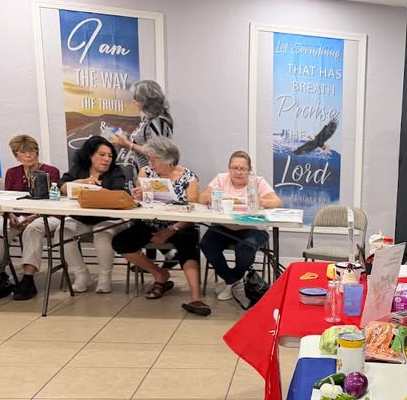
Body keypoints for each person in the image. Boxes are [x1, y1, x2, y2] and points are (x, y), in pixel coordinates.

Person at [111, 136, 210, 316]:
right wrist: (137, 196)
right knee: (120, 242)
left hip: (180, 225)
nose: (150, 163)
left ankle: (196, 298)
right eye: (149, 158)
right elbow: (138, 202)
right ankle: (159, 274)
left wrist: (169, 231)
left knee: (187, 244)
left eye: (153, 159)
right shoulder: (145, 172)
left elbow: (193, 212)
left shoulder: (189, 178)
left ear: (168, 160)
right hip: (150, 223)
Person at [0, 136, 61, 301]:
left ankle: (28, 280)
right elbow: (7, 200)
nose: (28, 155)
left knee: (32, 229)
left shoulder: (50, 171)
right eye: (23, 152)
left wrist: (29, 218)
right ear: (16, 156)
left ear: (37, 152)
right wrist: (12, 216)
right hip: (15, 214)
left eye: (31, 151)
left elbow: (53, 201)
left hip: (44, 214)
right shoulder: (12, 173)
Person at [199, 151, 280, 308]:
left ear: (249, 170)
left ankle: (232, 282)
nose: (238, 172)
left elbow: (276, 202)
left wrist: (258, 200)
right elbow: (202, 198)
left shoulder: (257, 181)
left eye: (243, 168)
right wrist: (212, 198)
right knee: (206, 244)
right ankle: (234, 281)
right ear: (229, 168)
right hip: (224, 226)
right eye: (234, 167)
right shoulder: (221, 179)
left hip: (253, 227)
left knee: (245, 247)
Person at [57, 135, 129, 295]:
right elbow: (61, 186)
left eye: (110, 156)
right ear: (90, 155)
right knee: (63, 232)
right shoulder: (78, 169)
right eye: (102, 155)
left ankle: (105, 277)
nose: (107, 159)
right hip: (81, 219)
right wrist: (79, 183)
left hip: (109, 219)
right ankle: (81, 274)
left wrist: (98, 191)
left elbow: (118, 193)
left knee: (102, 235)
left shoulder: (116, 172)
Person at [112, 79, 174, 174]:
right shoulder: (147, 120)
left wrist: (128, 144)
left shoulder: (157, 121)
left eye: (136, 99)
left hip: (155, 175)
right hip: (143, 173)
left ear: (146, 101)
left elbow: (157, 151)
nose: (133, 102)